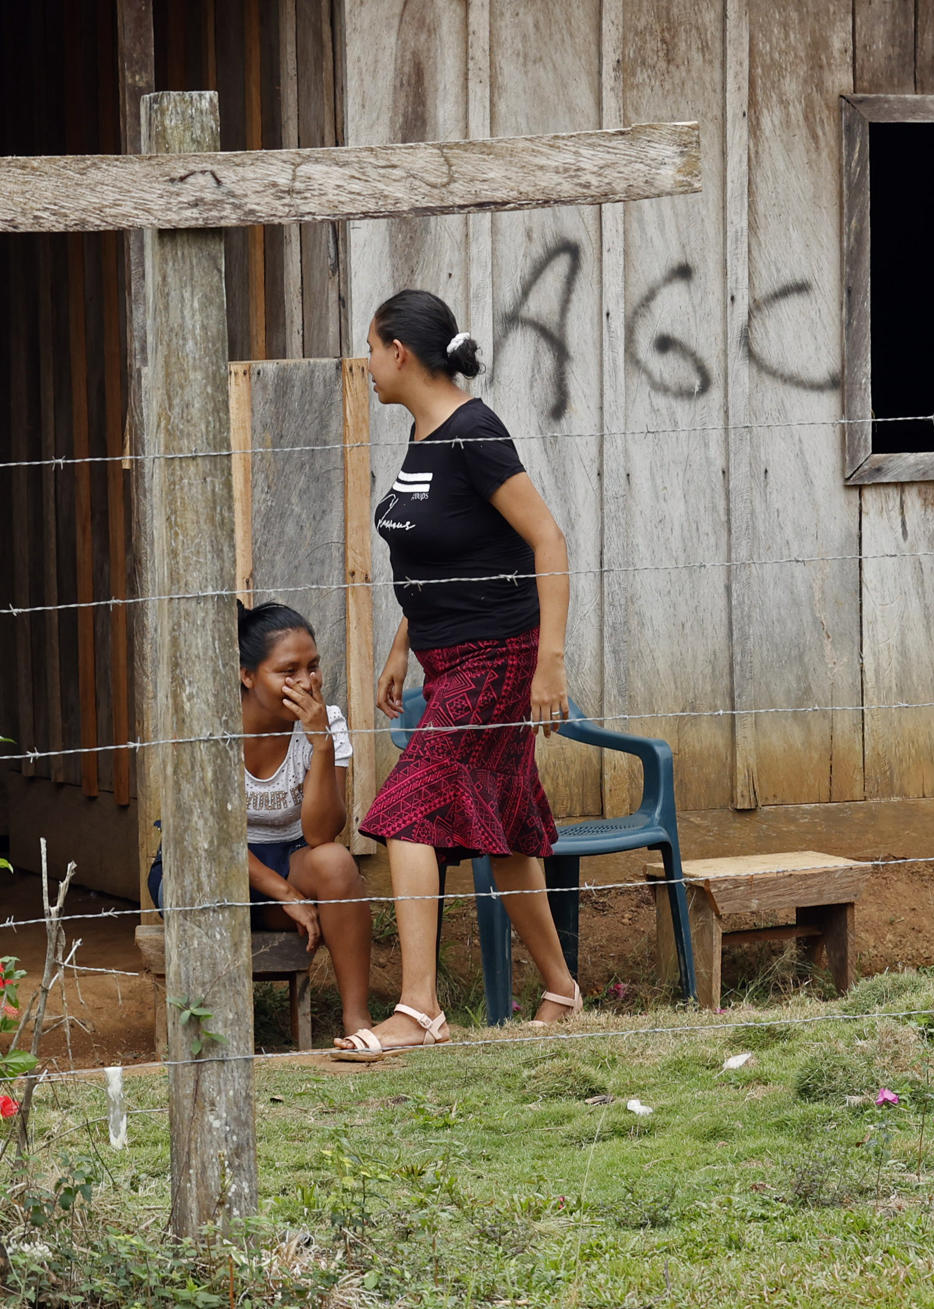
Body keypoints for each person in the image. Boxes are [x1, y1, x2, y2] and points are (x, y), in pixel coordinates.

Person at [334, 289, 580, 1061]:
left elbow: (547, 541)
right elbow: (445, 549)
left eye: (371, 349)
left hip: (498, 658)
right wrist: (403, 641)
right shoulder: (423, 431)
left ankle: (419, 1008)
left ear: (400, 351)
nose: (366, 365)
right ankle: (563, 992)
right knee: (505, 829)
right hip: (444, 660)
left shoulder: (474, 431)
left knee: (406, 812)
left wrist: (550, 663)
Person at [148, 601, 372, 1041]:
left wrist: (321, 744)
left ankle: (357, 1022)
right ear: (246, 675)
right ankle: (211, 1028)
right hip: (209, 868)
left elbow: (321, 834)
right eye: (289, 670)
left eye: (313, 666)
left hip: (287, 857)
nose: (307, 682)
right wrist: (285, 891)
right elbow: (208, 842)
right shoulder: (209, 730)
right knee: (200, 876)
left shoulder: (327, 725)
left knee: (337, 864)